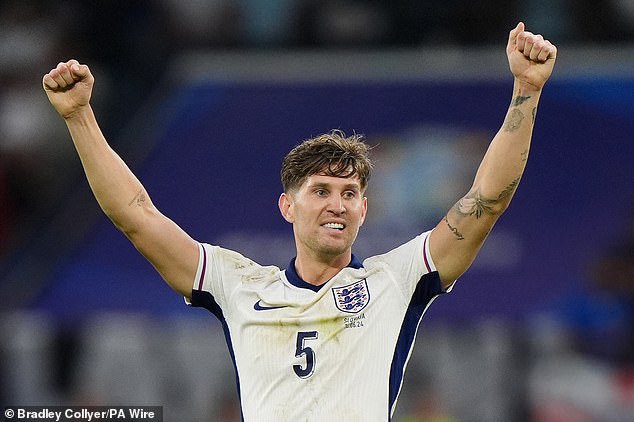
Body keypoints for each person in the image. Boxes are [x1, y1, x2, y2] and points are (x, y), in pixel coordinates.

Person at [42, 22, 557, 421]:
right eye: (321, 192)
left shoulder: (395, 281)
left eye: (350, 193)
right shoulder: (236, 283)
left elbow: (486, 200)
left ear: (364, 211)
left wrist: (526, 92)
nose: (337, 204)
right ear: (288, 207)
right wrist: (79, 117)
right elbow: (136, 216)